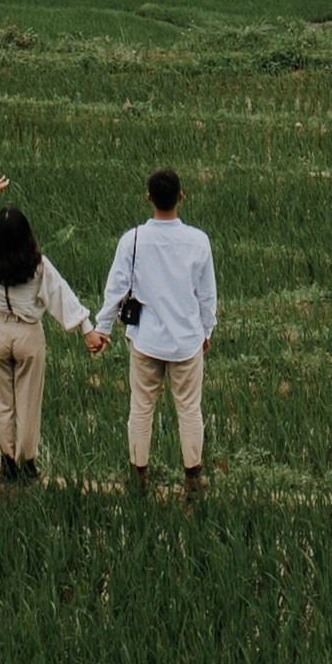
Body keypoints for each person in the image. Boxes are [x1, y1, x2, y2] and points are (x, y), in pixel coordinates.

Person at [87, 165, 220, 495]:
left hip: (146, 341)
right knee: (189, 409)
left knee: (141, 408)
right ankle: (192, 477)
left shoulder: (132, 240)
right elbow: (207, 294)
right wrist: (207, 331)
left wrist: (102, 329)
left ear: (149, 198)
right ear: (181, 197)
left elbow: (115, 289)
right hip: (187, 341)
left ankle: (139, 476)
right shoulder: (198, 241)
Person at [0, 174, 80, 486]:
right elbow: (60, 293)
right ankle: (28, 462)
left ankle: (6, 462)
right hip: (27, 334)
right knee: (28, 400)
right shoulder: (37, 265)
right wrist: (86, 327)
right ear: (26, 236)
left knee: (0, 401)